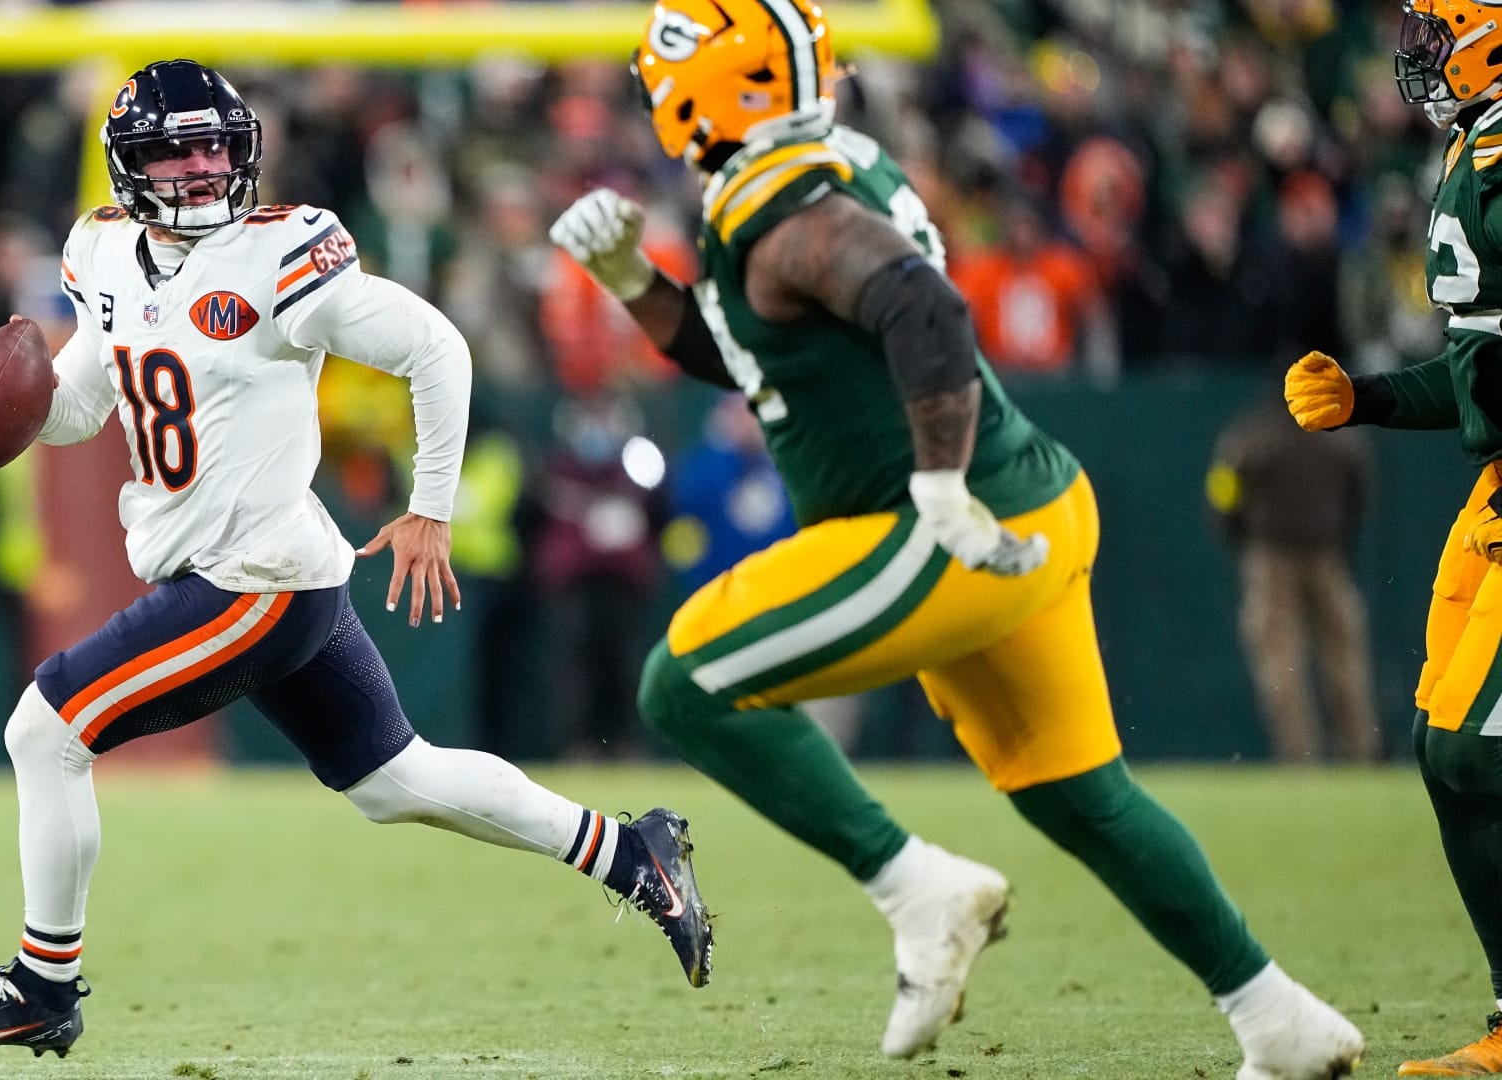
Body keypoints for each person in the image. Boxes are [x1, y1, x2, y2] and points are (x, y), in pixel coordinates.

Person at [547, 3, 1362, 1077]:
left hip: (946, 523)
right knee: (1087, 799)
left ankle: (918, 892)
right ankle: (1279, 1017)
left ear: (713, 80)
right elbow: (761, 358)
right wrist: (637, 289)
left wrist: (935, 484)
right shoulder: (826, 163)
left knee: (683, 684)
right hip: (1028, 503)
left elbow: (921, 306)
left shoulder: (781, 201)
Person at [0, 59, 711, 1059]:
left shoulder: (280, 255)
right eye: (172, 152)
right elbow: (82, 404)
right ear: (126, 168)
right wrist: (3, 387)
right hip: (254, 575)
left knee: (45, 729)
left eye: (213, 148)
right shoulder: (102, 255)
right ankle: (636, 854)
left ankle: (41, 983)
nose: (199, 171)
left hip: (257, 577)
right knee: (394, 781)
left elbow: (437, 349)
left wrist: (432, 509)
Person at [1286, 2, 1502, 1071]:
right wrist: (1366, 399)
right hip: (1495, 491)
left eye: (1437, 31)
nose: (1417, 55)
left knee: (1477, 746)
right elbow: (1481, 369)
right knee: (1445, 752)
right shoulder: (1476, 144)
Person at [1207, 395, 1379, 763]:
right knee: (1344, 656)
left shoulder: (1251, 435)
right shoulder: (1340, 435)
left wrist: (1237, 534)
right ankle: (1360, 751)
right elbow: (1359, 493)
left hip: (1270, 558)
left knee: (1279, 659)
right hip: (1327, 554)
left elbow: (1222, 491)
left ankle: (1299, 756)